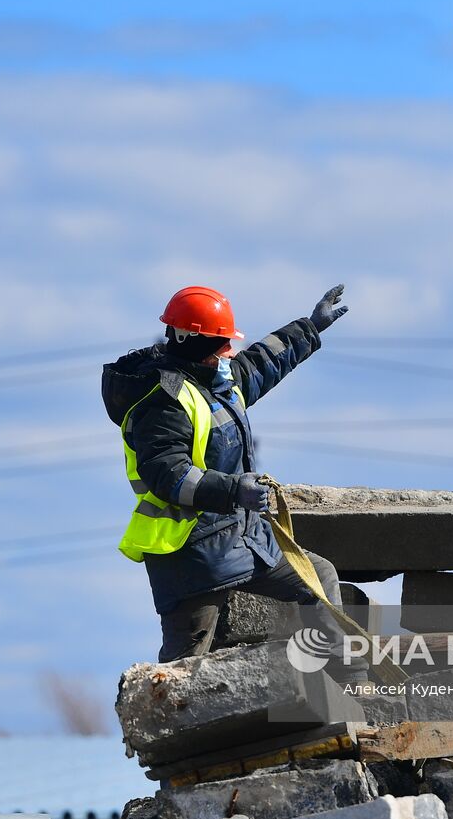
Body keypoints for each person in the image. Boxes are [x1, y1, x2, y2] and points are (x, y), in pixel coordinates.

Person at [101, 284, 362, 678]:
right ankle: (165, 735)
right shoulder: (162, 402)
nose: (229, 351)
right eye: (222, 343)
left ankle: (354, 693)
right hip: (190, 558)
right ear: (196, 343)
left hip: (242, 540)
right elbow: (168, 475)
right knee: (182, 670)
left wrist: (310, 327)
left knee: (318, 578)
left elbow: (259, 363)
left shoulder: (217, 381)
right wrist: (234, 490)